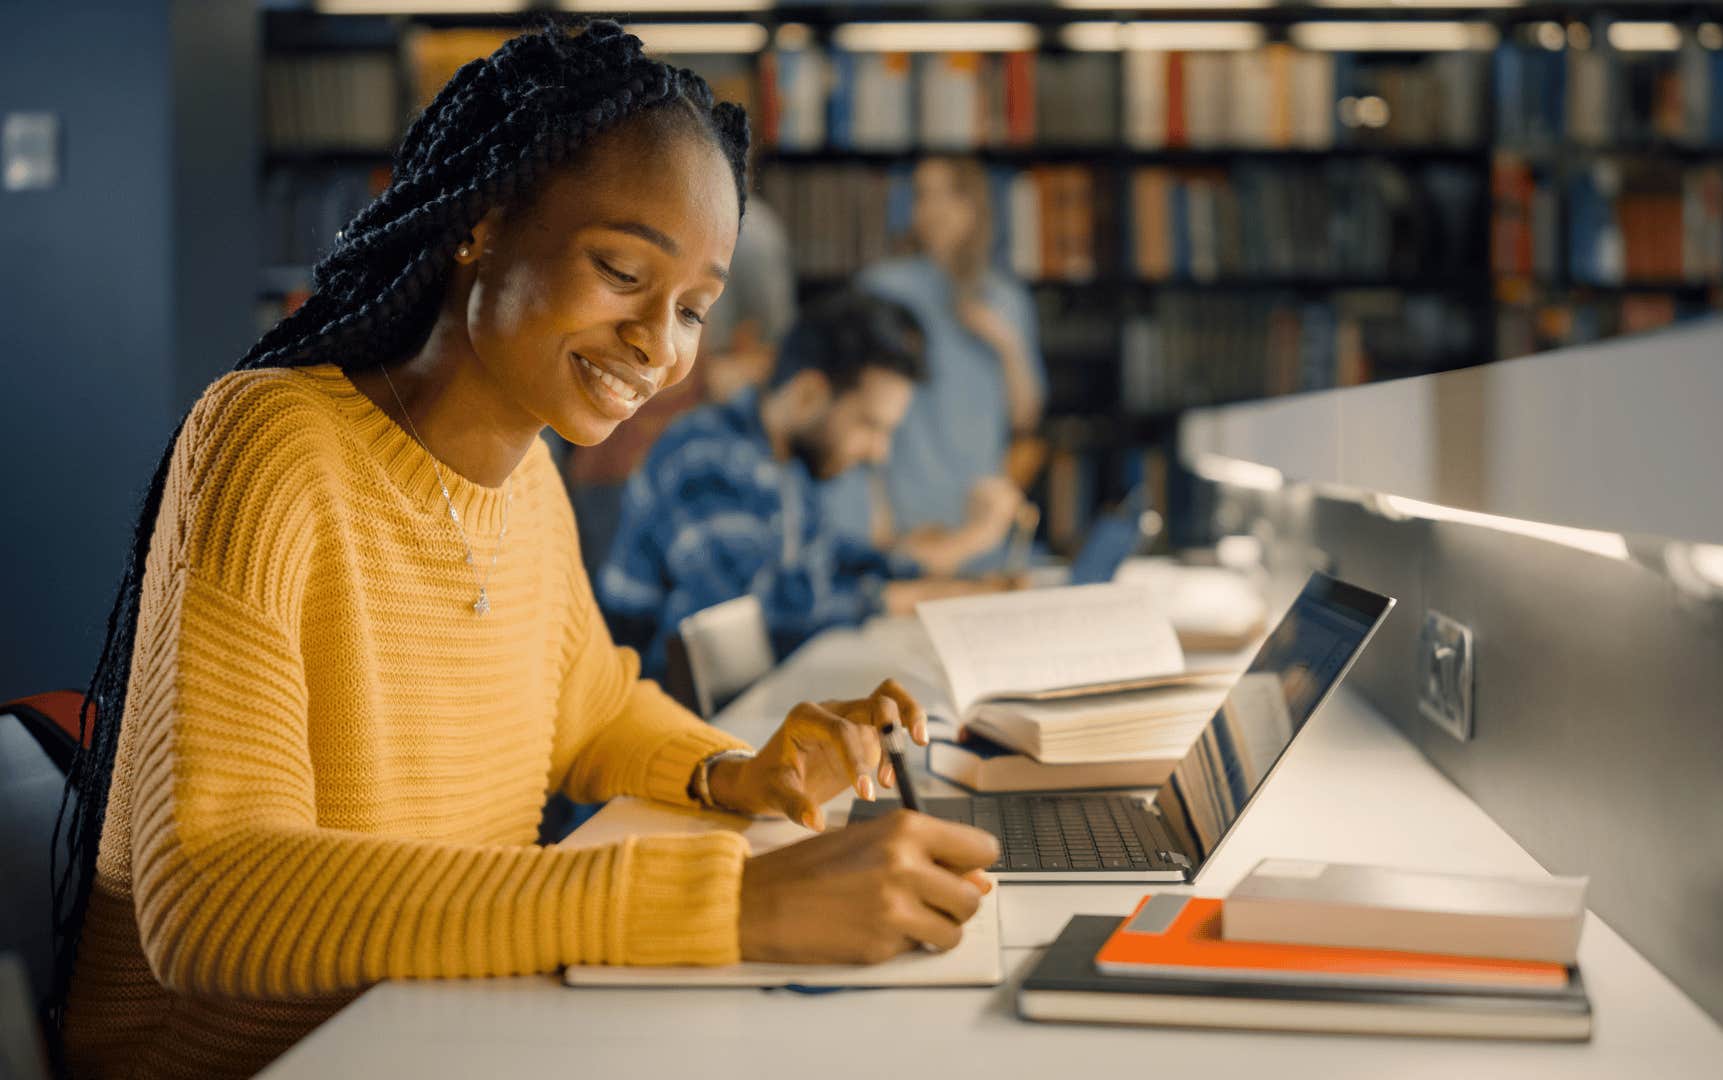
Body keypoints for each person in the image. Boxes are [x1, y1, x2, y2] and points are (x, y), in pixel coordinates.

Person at [49, 25, 996, 1079]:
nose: (659, 345)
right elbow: (212, 902)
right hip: (274, 1060)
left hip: (440, 1025)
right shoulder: (271, 445)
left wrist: (737, 772)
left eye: (692, 309)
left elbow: (589, 710)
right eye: (622, 270)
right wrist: (727, 903)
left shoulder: (529, 478)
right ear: (482, 226)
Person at [596, 289, 1015, 675]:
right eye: (870, 425)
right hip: (655, 713)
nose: (878, 452)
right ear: (810, 393)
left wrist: (938, 576)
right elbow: (750, 616)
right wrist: (909, 598)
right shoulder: (706, 457)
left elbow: (825, 563)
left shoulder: (786, 464)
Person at [820, 156, 1046, 565]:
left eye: (950, 195)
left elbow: (1026, 416)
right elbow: (852, 405)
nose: (934, 210)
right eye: (923, 196)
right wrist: (873, 505)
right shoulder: (883, 289)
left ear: (976, 206)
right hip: (908, 515)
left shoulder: (1006, 300)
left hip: (981, 517)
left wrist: (1007, 346)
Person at [563, 193, 796, 573]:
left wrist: (726, 371)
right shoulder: (618, 199)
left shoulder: (752, 234)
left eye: (691, 311)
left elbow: (775, 357)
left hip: (693, 462)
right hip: (608, 460)